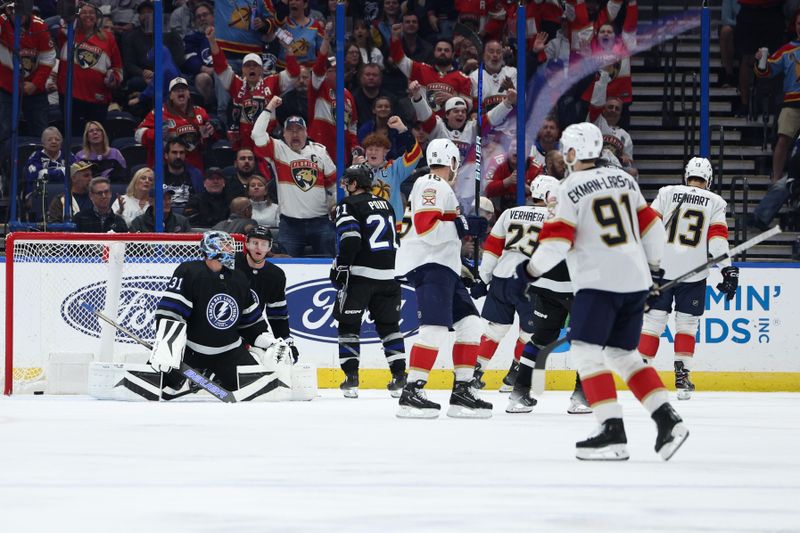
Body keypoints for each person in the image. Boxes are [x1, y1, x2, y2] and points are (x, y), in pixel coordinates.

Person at [511, 122, 688, 461]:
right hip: (634, 280)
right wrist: (653, 271)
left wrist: (527, 272)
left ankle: (612, 430)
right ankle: (667, 419)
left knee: (586, 353)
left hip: (598, 281)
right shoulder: (626, 181)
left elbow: (557, 243)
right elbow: (652, 229)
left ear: (575, 152)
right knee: (623, 355)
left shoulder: (569, 187)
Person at [394, 138, 491, 419]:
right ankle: (412, 391)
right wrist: (463, 225)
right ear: (452, 162)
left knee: (471, 324)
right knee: (434, 328)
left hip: (444, 268)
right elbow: (427, 229)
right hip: (430, 266)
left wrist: (462, 267)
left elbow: (437, 229)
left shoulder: (435, 186)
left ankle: (462, 391)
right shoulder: (432, 183)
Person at [638, 157, 739, 400]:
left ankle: (641, 374)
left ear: (686, 175)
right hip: (693, 273)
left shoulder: (667, 192)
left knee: (653, 323)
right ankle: (682, 379)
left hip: (661, 270)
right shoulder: (715, 201)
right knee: (687, 325)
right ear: (709, 179)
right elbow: (717, 239)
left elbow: (648, 226)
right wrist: (728, 269)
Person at [148, 230, 289, 399]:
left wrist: (269, 342)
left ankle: (214, 375)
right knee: (151, 389)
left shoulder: (238, 278)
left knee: (265, 393)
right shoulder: (189, 271)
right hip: (192, 351)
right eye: (226, 244)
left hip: (230, 353)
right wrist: (167, 345)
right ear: (211, 247)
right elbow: (171, 311)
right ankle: (191, 374)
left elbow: (251, 323)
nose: (231, 249)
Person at [492, 177, 591, 415]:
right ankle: (581, 397)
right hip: (573, 286)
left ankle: (518, 394)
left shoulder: (548, 214)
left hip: (544, 286)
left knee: (539, 338)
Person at [331, 165, 407, 399]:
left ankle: (351, 378)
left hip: (361, 277)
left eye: (347, 183)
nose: (345, 186)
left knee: (348, 326)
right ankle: (399, 377)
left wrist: (342, 266)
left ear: (355, 184)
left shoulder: (349, 205)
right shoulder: (387, 205)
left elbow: (351, 239)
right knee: (390, 328)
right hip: (388, 276)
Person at [252, 99, 337, 257]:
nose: (295, 134)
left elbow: (333, 184)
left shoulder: (319, 151)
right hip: (290, 223)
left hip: (321, 221)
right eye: (290, 130)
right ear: (283, 134)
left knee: (331, 262)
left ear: (306, 133)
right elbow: (257, 134)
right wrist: (270, 107)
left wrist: (334, 205)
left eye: (299, 130)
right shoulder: (278, 150)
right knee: (285, 266)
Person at [208, 25, 299, 150]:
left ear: (261, 69)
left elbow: (294, 73)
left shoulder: (272, 82)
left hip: (267, 140)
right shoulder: (236, 83)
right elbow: (220, 66)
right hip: (244, 143)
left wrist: (289, 48)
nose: (251, 68)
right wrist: (212, 41)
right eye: (247, 65)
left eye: (255, 65)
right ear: (242, 70)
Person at [56, 1, 123, 134]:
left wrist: (113, 79)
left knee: (96, 140)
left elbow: (118, 68)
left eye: (91, 13)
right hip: (71, 96)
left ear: (97, 16)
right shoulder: (68, 33)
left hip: (97, 99)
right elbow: (65, 16)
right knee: (74, 138)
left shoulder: (108, 38)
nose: (88, 16)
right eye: (84, 12)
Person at [235, 226, 298, 360]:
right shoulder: (231, 265)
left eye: (264, 244)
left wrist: (286, 339)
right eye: (255, 243)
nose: (259, 248)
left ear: (269, 248)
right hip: (225, 328)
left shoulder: (276, 275)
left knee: (280, 354)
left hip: (251, 328)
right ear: (246, 243)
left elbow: (277, 314)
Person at [0, 4, 55, 149]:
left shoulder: (40, 26)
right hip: (6, 89)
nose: (19, 14)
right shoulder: (1, 22)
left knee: (41, 132)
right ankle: (4, 169)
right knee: (4, 132)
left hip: (34, 90)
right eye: (14, 9)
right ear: (7, 10)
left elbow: (48, 57)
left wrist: (35, 84)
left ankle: (41, 167)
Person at [755, 12, 800, 184]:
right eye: (798, 24)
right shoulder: (787, 49)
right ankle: (776, 179)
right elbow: (766, 71)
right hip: (791, 103)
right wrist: (761, 60)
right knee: (783, 140)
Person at [136, 77, 217, 171]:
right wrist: (156, 134)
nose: (180, 91)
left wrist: (212, 131)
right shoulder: (158, 113)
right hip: (164, 169)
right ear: (170, 96)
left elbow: (209, 139)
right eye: (176, 90)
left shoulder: (200, 112)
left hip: (193, 169)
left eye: (184, 89)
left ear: (188, 94)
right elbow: (138, 135)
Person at [357, 118, 422, 220]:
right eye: (370, 149)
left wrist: (403, 130)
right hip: (367, 229)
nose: (373, 152)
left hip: (392, 228)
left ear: (386, 152)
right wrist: (353, 172)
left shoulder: (394, 169)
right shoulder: (358, 170)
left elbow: (414, 154)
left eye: (377, 149)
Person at [23, 127, 75, 202]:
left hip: (66, 194)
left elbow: (74, 174)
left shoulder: (68, 156)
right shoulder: (36, 156)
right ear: (43, 143)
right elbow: (36, 175)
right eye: (49, 139)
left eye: (57, 139)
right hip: (40, 194)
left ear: (61, 142)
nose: (54, 142)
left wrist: (47, 172)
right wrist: (63, 171)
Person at [162, 137, 204, 213]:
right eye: (174, 152)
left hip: (191, 219)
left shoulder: (196, 174)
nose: (178, 156)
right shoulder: (156, 174)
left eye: (181, 153)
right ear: (166, 155)